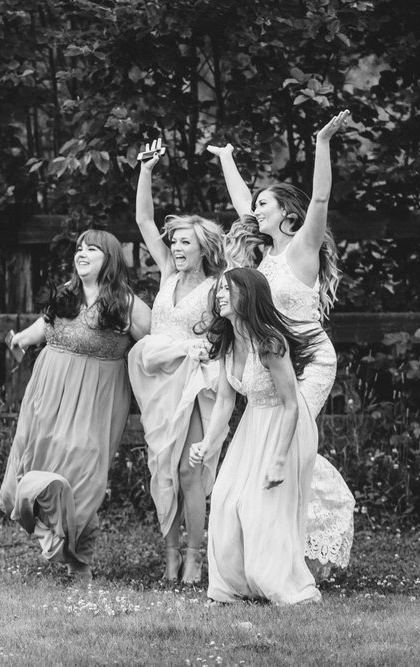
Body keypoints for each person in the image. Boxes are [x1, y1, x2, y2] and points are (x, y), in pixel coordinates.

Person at [207, 111, 355, 578]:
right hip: (271, 358)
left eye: (264, 204)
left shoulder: (302, 249)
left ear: (287, 214)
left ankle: (302, 548)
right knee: (263, 445)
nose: (255, 210)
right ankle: (266, 551)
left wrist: (323, 143)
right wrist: (228, 160)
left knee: (290, 444)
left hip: (309, 361)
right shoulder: (261, 257)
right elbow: (240, 205)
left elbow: (322, 197)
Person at [0, 229, 151, 582]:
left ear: (109, 259)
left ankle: (78, 559)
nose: (82, 254)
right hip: (47, 394)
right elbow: (46, 326)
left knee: (82, 472)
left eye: (92, 250)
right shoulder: (67, 295)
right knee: (34, 462)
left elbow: (156, 345)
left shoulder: (125, 304)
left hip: (94, 399)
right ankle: (54, 537)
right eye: (79, 248)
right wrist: (21, 338)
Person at [189, 268, 324, 604]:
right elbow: (224, 399)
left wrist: (278, 461)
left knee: (260, 506)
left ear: (247, 295)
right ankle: (232, 586)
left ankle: (283, 585)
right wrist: (206, 444)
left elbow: (292, 404)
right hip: (254, 422)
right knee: (223, 496)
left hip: (285, 424)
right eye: (218, 289)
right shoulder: (227, 340)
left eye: (226, 289)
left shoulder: (271, 343)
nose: (219, 295)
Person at [127, 144, 227, 585]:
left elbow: (228, 332)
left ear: (203, 248)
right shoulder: (167, 272)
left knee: (189, 469)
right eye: (176, 241)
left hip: (193, 382)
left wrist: (208, 349)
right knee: (161, 468)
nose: (177, 246)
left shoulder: (214, 286)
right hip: (157, 382)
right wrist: (146, 171)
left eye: (186, 241)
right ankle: (169, 554)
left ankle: (194, 557)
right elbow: (144, 220)